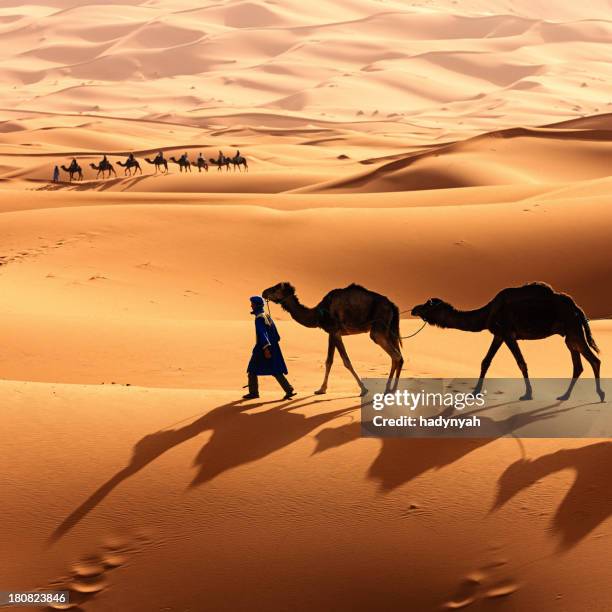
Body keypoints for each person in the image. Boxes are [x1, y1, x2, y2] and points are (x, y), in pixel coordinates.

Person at [244, 296, 296, 400]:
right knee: (275, 369)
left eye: (252, 304)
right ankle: (288, 389)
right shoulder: (266, 316)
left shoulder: (259, 318)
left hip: (263, 347)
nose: (251, 305)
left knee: (252, 368)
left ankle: (254, 393)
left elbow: (262, 333)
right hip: (272, 346)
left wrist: (266, 348)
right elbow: (276, 334)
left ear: (256, 305)